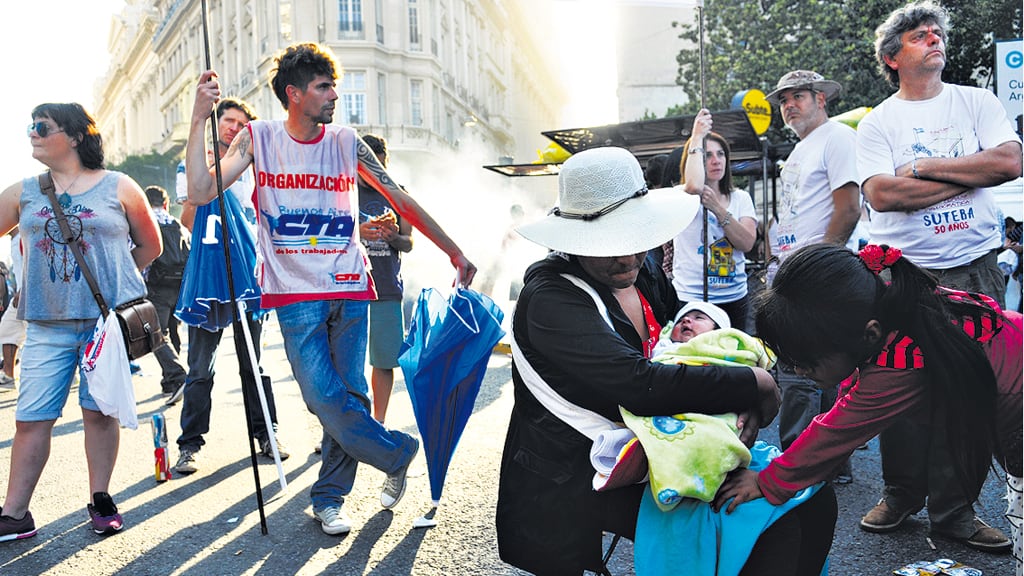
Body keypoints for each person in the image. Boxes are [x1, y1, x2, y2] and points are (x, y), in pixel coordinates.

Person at [496, 146, 834, 576]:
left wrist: (745, 384)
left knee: (812, 496)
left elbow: (687, 343)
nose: (628, 257)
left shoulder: (643, 270)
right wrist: (755, 385)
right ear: (574, 241)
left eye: (636, 240)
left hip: (664, 435)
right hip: (586, 468)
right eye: (609, 244)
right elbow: (638, 382)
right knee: (761, 524)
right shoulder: (550, 299)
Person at [185, 43, 476, 536]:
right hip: (294, 291)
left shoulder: (346, 141)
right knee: (324, 397)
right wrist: (198, 118)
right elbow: (199, 191)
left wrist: (453, 249)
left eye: (334, 85)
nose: (335, 94)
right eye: (323, 86)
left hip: (349, 283)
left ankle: (329, 497)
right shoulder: (257, 138)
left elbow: (398, 197)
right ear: (294, 94)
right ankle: (397, 451)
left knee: (352, 396)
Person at [718, 242, 1022, 574]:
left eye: (806, 361)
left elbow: (836, 432)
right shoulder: (891, 311)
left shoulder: (902, 364)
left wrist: (768, 482)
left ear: (869, 334)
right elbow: (852, 387)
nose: (800, 371)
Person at [855, 0, 1023, 551]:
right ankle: (903, 493)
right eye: (917, 36)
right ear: (891, 57)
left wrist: (923, 168)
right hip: (907, 274)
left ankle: (955, 510)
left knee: (967, 392)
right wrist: (969, 175)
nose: (933, 39)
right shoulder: (878, 122)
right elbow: (883, 194)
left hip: (977, 270)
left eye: (935, 33)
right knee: (899, 382)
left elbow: (1009, 163)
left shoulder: (976, 101)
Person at [0, 103, 161, 541]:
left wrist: (113, 279)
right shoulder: (24, 192)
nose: (31, 132)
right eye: (30, 125)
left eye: (41, 126)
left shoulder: (119, 186)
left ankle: (100, 497)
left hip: (104, 327)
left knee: (99, 413)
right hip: (46, 327)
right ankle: (15, 514)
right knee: (31, 418)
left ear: (73, 136)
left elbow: (150, 246)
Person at [171, 96, 291, 474]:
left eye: (241, 124)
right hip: (207, 273)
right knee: (200, 366)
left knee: (251, 361)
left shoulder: (254, 167)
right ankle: (190, 444)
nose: (234, 128)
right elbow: (188, 217)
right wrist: (205, 176)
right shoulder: (194, 163)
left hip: (246, 271)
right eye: (228, 121)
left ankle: (266, 434)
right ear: (215, 124)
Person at [763, 70, 862, 485]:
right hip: (792, 271)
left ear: (822, 98)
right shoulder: (803, 148)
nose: (789, 105)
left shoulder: (836, 138)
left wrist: (820, 265)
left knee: (798, 371)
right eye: (784, 99)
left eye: (798, 96)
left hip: (813, 274)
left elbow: (849, 207)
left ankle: (799, 467)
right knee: (818, 370)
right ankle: (826, 463)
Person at [672, 112, 758, 330]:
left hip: (733, 296)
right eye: (707, 155)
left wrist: (718, 210)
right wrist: (697, 136)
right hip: (691, 296)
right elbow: (693, 186)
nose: (715, 160)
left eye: (720, 154)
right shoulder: (681, 196)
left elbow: (747, 243)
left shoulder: (741, 198)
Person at [357, 134, 413, 423]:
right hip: (349, 288)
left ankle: (378, 422)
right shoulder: (343, 192)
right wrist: (357, 233)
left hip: (387, 288)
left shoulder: (398, 193)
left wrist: (394, 236)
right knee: (345, 363)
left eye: (378, 167)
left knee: (383, 360)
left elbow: (409, 242)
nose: (373, 174)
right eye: (367, 166)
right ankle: (342, 426)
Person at [143, 185, 189, 398]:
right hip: (179, 285)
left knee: (156, 334)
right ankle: (170, 383)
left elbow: (144, 256)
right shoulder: (176, 223)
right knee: (172, 331)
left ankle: (178, 375)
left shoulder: (145, 222)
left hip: (157, 287)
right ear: (165, 203)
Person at [0, 229, 26, 393]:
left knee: (37, 337)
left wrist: (24, 289)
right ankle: (8, 375)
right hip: (20, 294)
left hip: (31, 294)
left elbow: (37, 263)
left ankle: (70, 375)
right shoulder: (14, 240)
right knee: (7, 329)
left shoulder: (25, 236)